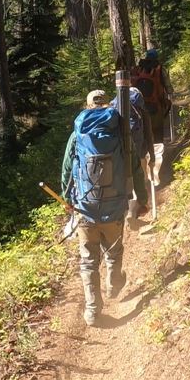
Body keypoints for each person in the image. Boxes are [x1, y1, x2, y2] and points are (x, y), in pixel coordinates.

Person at [61, 89, 130, 327]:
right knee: (113, 250)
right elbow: (132, 166)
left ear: (88, 106)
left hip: (85, 208)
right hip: (114, 206)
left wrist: (68, 200)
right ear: (106, 105)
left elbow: (67, 171)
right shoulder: (120, 131)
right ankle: (113, 286)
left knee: (88, 260)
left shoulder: (78, 134)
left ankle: (92, 311)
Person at [110, 87, 155, 217]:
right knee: (140, 179)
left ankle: (125, 211)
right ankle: (137, 208)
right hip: (139, 151)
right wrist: (152, 157)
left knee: (123, 180)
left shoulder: (114, 108)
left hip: (119, 153)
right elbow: (149, 135)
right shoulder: (141, 110)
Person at [132, 48, 172, 185]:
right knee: (157, 139)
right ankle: (155, 173)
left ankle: (144, 172)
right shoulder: (159, 69)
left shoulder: (138, 69)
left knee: (143, 139)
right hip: (156, 108)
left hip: (140, 110)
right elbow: (168, 87)